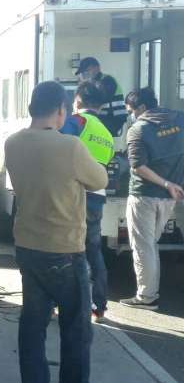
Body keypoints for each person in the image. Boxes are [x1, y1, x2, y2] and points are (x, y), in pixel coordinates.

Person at [5, 81, 112, 383]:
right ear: (61, 110)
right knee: (76, 327)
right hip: (64, 250)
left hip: (27, 246)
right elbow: (100, 180)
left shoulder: (13, 143)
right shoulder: (70, 147)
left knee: (33, 323)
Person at [120, 88, 184, 309]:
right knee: (151, 244)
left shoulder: (138, 129)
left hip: (144, 194)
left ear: (142, 108)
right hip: (170, 197)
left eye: (131, 111)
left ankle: (147, 297)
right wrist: (173, 184)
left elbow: (138, 167)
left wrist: (165, 183)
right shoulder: (180, 120)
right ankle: (150, 292)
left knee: (143, 246)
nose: (130, 115)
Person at [60, 82, 115, 322]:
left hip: (73, 195)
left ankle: (59, 302)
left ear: (78, 101)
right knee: (93, 252)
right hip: (97, 197)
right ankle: (99, 306)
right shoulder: (106, 132)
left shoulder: (77, 121)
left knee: (63, 250)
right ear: (101, 106)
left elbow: (59, 145)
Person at [75, 57, 128, 136]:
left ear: (97, 68)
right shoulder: (92, 84)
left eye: (86, 71)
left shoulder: (107, 80)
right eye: (81, 73)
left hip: (112, 120)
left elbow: (97, 100)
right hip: (100, 120)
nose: (84, 75)